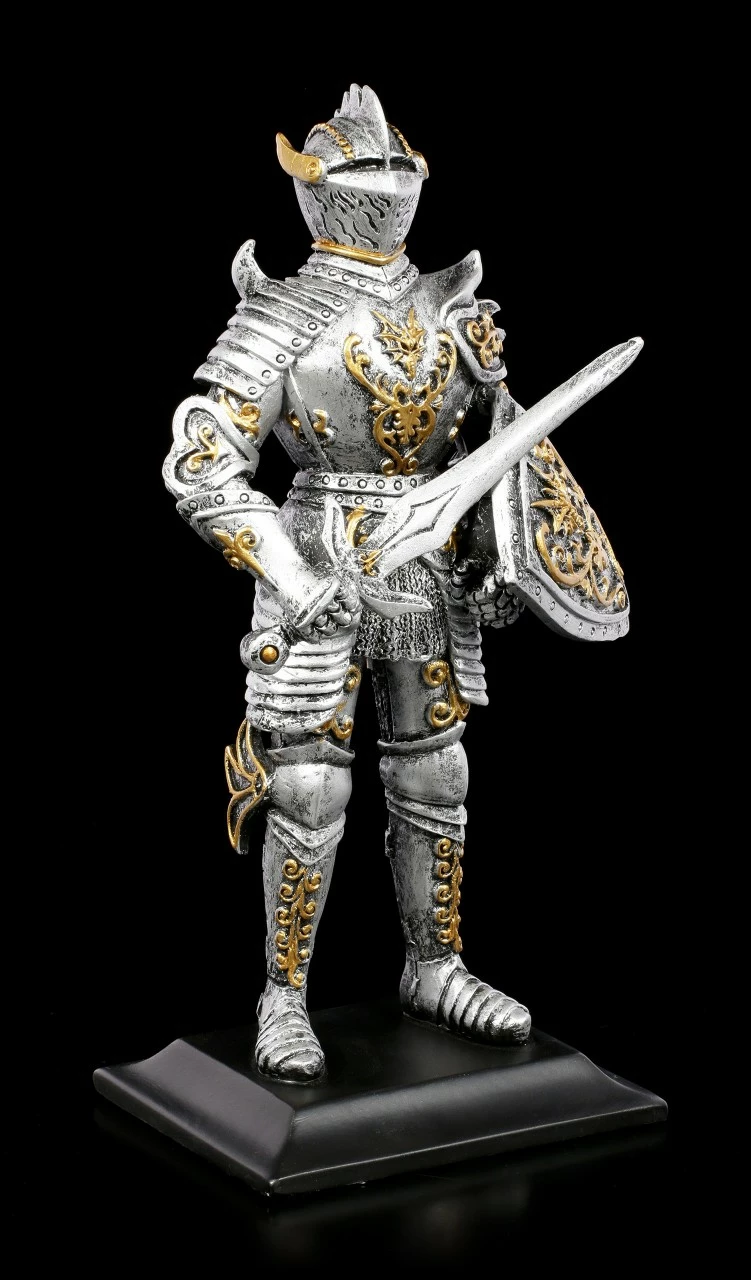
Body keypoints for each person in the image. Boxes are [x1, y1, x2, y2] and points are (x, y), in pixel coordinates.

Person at [163, 85, 628, 1081]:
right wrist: (291, 576)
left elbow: (496, 455)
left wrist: (497, 563)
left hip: (426, 566)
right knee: (306, 780)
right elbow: (203, 465)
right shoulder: (278, 315)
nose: (382, 192)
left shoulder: (452, 309)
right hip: (321, 556)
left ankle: (434, 964)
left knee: (433, 770)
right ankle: (283, 995)